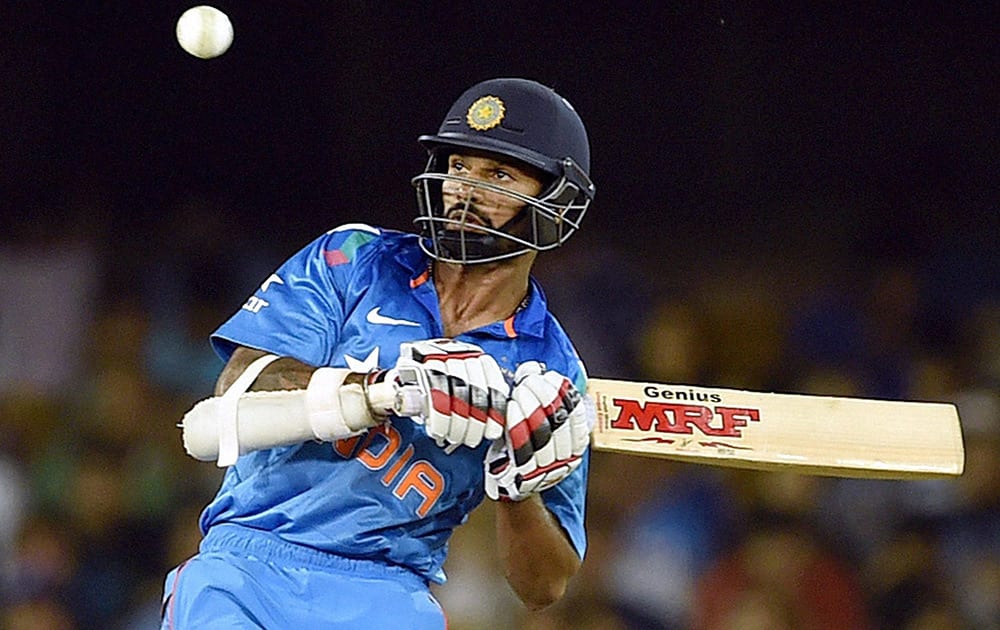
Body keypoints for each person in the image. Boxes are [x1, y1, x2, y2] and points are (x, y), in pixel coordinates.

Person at [160, 77, 597, 628]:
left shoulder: (552, 371)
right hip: (249, 564)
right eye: (458, 167)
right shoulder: (354, 257)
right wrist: (385, 392)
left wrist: (517, 489)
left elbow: (543, 586)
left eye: (499, 176)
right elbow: (239, 386)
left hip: (386, 593)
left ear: (554, 204)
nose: (464, 190)